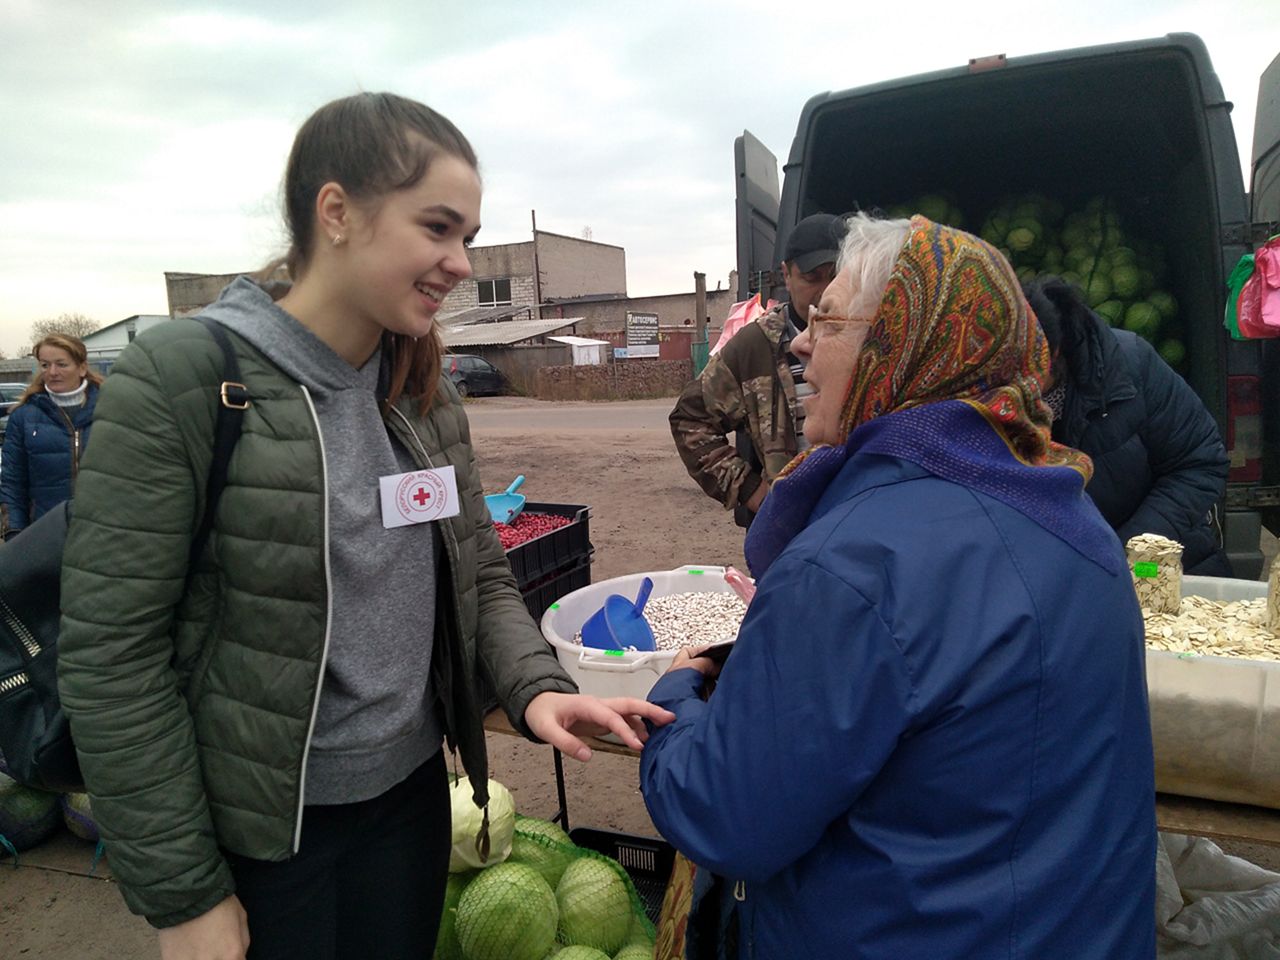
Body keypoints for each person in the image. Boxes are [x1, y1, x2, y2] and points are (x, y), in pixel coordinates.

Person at [55, 93, 673, 960]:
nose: (460, 261)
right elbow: (111, 657)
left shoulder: (421, 386)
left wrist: (534, 688)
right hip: (266, 830)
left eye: (469, 235)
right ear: (337, 212)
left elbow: (480, 574)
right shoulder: (189, 375)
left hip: (410, 803)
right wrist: (184, 893)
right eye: (438, 228)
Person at [641, 214, 1156, 958]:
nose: (798, 343)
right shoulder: (1074, 518)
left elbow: (726, 817)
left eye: (827, 322)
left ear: (903, 344)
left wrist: (675, 703)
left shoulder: (848, 567)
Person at [1023, 276, 1232, 575]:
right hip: (1058, 580)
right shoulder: (989, 395)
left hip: (1149, 565)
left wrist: (1124, 553)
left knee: (1154, 600)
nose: (1004, 379)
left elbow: (1200, 463)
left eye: (1017, 366)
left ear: (1054, 353)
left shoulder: (1130, 365)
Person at [669, 214, 845, 527]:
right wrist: (757, 495)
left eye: (836, 276)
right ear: (786, 275)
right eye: (812, 277)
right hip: (792, 533)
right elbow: (689, 419)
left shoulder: (877, 338)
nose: (826, 290)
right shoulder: (755, 346)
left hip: (864, 523)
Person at [0, 333, 102, 539]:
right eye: (45, 365)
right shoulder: (24, 417)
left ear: (82, 368)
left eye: (61, 364)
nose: (52, 372)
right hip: (46, 534)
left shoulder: (111, 409)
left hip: (103, 533)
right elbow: (12, 483)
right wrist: (15, 534)